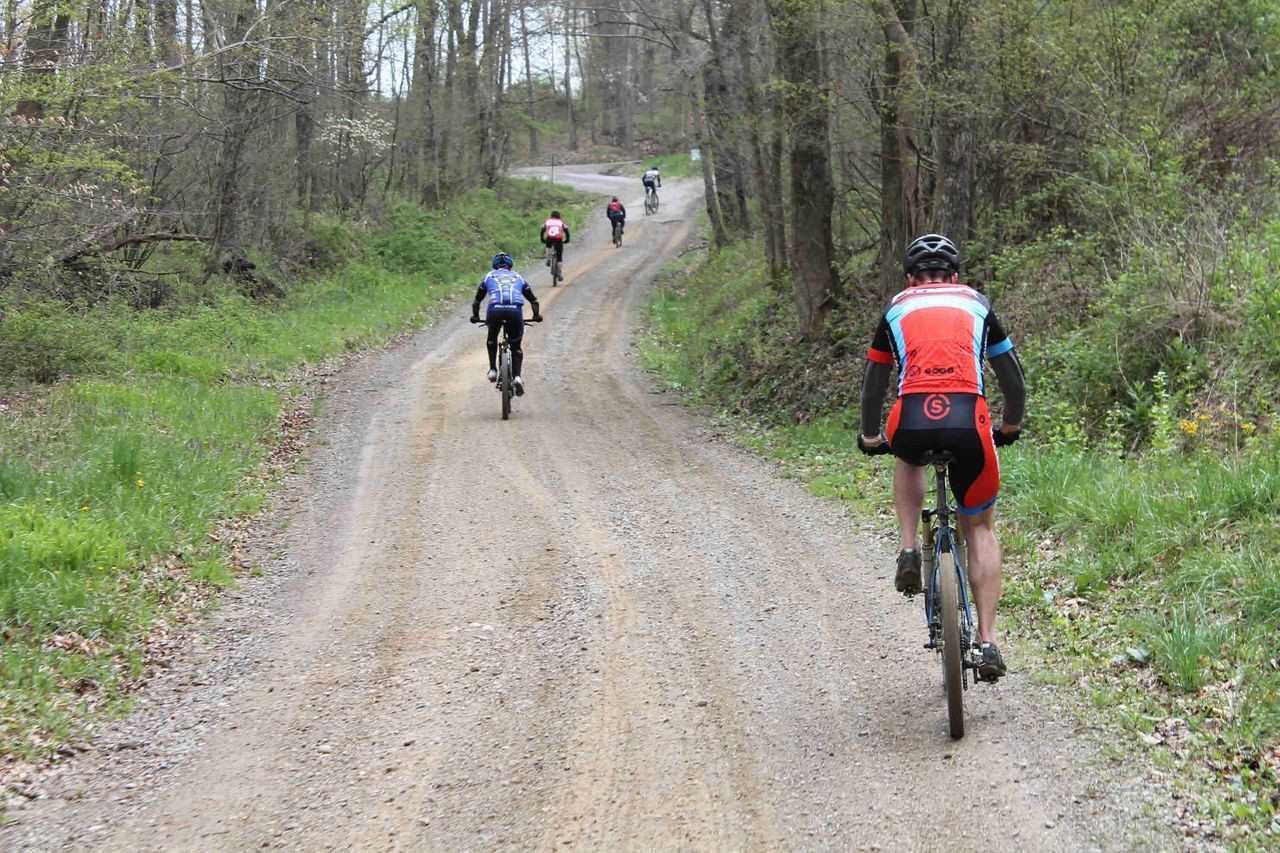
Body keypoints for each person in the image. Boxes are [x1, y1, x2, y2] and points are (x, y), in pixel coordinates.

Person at [857, 233, 1026, 681]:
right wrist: (1009, 427)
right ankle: (987, 642)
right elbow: (1013, 380)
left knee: (905, 452)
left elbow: (875, 380)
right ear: (955, 276)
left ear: (910, 278)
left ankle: (909, 548)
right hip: (971, 421)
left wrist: (871, 435)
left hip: (912, 417)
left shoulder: (896, 307)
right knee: (981, 527)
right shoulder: (977, 304)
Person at [471, 253, 542, 396]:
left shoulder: (489, 276)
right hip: (514, 312)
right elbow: (534, 301)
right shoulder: (518, 277)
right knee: (516, 346)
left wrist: (476, 316)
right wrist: (536, 315)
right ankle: (517, 377)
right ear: (510, 266)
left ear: (494, 266)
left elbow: (477, 301)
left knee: (492, 338)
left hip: (495, 310)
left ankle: (492, 370)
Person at [540, 211, 570, 280]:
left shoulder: (547, 221)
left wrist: (542, 239)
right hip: (558, 239)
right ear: (559, 216)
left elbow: (542, 230)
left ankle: (548, 258)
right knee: (559, 256)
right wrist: (567, 239)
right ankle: (559, 272)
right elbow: (566, 230)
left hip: (550, 238)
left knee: (548, 246)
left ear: (551, 216)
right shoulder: (560, 222)